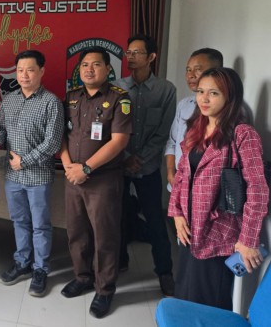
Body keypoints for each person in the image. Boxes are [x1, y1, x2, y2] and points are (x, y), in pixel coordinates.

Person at [169, 67, 268, 310]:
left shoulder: (243, 135)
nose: (204, 99)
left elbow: (258, 190)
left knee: (209, 301)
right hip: (189, 229)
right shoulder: (196, 128)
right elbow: (182, 174)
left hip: (219, 234)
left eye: (213, 93)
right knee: (184, 293)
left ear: (229, 96)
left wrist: (248, 239)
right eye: (201, 91)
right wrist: (177, 213)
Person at [0, 50, 64, 298]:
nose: (24, 75)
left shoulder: (51, 102)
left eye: (30, 69)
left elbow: (53, 143)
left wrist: (24, 161)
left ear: (41, 71)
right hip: (13, 177)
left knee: (40, 225)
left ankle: (41, 269)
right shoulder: (9, 101)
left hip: (38, 177)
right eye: (20, 70)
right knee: (19, 221)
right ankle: (22, 263)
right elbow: (4, 131)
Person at [60, 46, 132, 319]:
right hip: (73, 177)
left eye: (96, 64)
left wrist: (87, 168)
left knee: (105, 235)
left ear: (108, 69)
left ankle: (104, 289)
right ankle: (82, 277)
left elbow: (119, 141)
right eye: (84, 65)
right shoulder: (71, 97)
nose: (89, 69)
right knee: (76, 231)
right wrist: (68, 166)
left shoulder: (119, 98)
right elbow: (61, 135)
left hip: (103, 179)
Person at [113, 34, 176, 296]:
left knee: (155, 220)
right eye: (128, 52)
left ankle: (164, 271)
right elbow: (111, 127)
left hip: (148, 168)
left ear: (151, 57)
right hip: (120, 164)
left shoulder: (166, 90)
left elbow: (164, 132)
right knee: (117, 215)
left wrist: (139, 158)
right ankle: (120, 260)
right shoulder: (117, 87)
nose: (130, 57)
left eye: (136, 52)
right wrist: (126, 156)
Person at [165, 48, 223, 187]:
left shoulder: (229, 110)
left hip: (208, 187)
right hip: (179, 183)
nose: (190, 75)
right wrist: (171, 173)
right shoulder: (184, 105)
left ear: (216, 72)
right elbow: (172, 142)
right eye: (188, 70)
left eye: (197, 69)